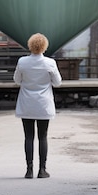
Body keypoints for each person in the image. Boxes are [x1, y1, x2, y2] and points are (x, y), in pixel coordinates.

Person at [13, 33, 62, 179]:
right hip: (43, 105)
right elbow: (58, 82)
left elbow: (16, 80)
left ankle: (29, 170)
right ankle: (42, 170)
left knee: (28, 137)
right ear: (44, 46)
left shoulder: (22, 62)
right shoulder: (50, 63)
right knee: (42, 137)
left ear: (30, 45)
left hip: (27, 103)